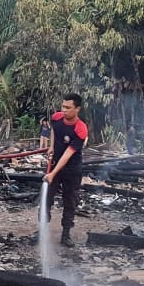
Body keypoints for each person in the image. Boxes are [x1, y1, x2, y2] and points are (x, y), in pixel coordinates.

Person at [43, 93, 89, 247]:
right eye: (63, 106)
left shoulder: (80, 129)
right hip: (55, 163)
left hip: (71, 169)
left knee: (70, 201)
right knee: (45, 198)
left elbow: (67, 155)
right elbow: (54, 130)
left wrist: (52, 173)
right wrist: (51, 146)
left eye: (68, 108)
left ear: (77, 109)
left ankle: (66, 234)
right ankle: (42, 229)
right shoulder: (56, 117)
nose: (64, 110)